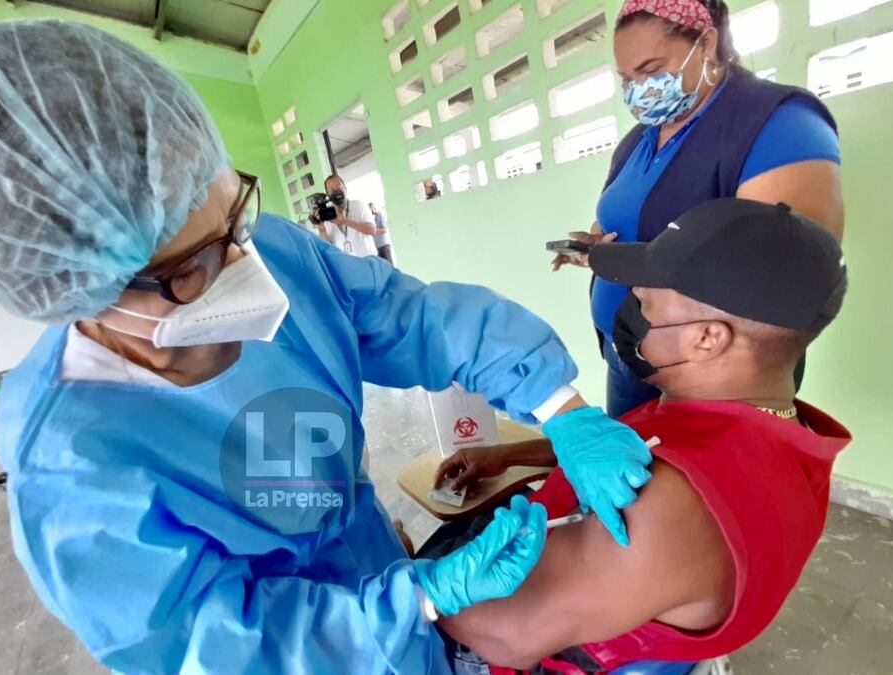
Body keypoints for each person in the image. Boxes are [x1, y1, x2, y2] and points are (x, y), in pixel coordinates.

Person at [0, 20, 654, 675]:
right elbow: (210, 648)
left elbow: (416, 320)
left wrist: (560, 404)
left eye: (234, 219)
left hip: (383, 578)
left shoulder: (273, 252)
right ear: (80, 287)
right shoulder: (72, 468)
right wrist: (417, 596)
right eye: (191, 268)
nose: (245, 275)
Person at [437, 199, 852, 672]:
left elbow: (507, 635)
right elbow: (634, 450)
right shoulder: (765, 423)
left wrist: (400, 592)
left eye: (644, 301)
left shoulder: (666, 507)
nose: (630, 307)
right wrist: (511, 455)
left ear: (706, 338)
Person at [551, 0, 844, 419]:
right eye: (626, 78)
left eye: (651, 70)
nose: (637, 88)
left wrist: (612, 259)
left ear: (705, 44)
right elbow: (626, 218)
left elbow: (789, 269)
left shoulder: (778, 122)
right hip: (629, 351)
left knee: (705, 479)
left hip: (711, 374)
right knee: (634, 474)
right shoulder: (639, 141)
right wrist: (595, 244)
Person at [314, 175, 380, 258]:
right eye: (332, 190)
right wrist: (321, 227)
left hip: (368, 262)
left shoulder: (360, 205)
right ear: (327, 194)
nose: (336, 192)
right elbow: (326, 245)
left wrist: (344, 221)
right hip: (345, 266)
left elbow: (372, 230)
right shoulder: (326, 213)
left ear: (345, 189)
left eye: (339, 188)